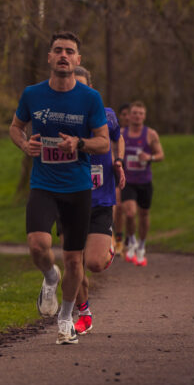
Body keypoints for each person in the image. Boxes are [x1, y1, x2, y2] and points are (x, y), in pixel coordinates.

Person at [9, 31, 110, 345]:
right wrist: (24, 145)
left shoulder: (90, 98)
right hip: (44, 183)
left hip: (78, 188)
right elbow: (15, 127)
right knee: (38, 245)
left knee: (74, 261)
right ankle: (49, 277)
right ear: (50, 57)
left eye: (69, 51)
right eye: (58, 50)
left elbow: (104, 142)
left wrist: (78, 143)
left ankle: (66, 319)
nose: (63, 55)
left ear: (78, 59)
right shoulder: (32, 94)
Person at [71, 67, 125, 335]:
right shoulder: (62, 119)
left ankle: (108, 249)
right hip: (69, 199)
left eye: (83, 87)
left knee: (94, 263)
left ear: (91, 90)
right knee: (73, 263)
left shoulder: (107, 115)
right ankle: (84, 312)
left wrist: (118, 161)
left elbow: (118, 138)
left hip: (101, 199)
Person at [120, 101, 164, 266]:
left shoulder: (150, 134)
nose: (137, 116)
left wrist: (149, 157)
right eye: (135, 113)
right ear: (129, 115)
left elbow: (160, 155)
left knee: (144, 214)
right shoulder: (122, 134)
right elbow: (114, 152)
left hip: (144, 181)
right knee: (130, 213)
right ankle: (131, 240)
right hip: (128, 181)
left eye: (141, 113)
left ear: (144, 116)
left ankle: (142, 246)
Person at [112, 103, 130, 252]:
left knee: (128, 211)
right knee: (116, 206)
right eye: (123, 114)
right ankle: (115, 239)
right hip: (115, 172)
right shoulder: (114, 130)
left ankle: (125, 238)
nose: (127, 117)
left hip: (133, 176)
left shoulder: (142, 133)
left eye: (128, 114)